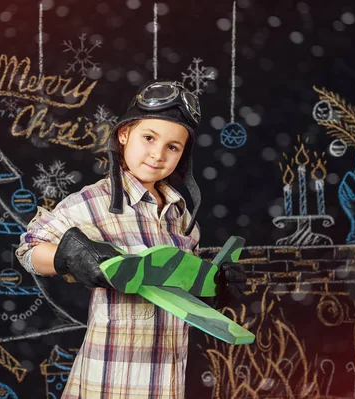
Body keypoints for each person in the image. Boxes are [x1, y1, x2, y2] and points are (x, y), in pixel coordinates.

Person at [16, 80, 246, 398]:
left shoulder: (181, 217)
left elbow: (184, 289)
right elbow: (28, 249)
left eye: (173, 147)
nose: (157, 154)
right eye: (148, 137)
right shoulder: (92, 202)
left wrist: (213, 286)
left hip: (167, 382)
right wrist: (67, 255)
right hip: (108, 381)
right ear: (124, 134)